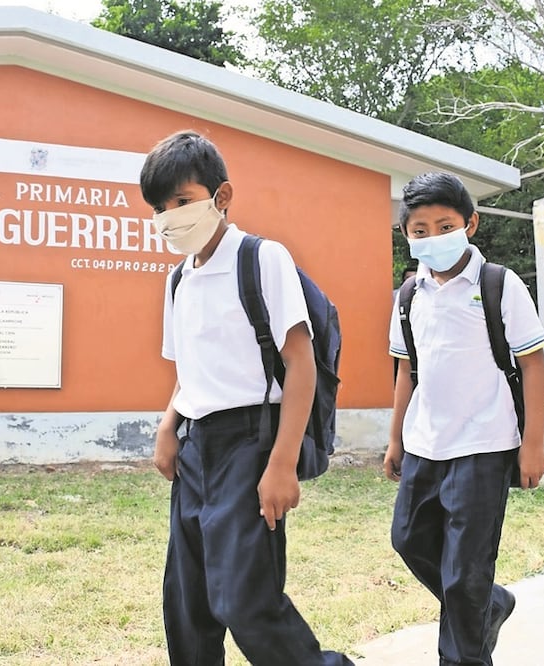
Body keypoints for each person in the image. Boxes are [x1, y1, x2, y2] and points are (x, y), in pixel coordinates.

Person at [142, 130, 352, 666]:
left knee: (244, 601)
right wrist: (169, 427)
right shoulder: (177, 281)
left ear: (221, 196)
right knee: (187, 603)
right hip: (196, 447)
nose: (170, 217)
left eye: (182, 201)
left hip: (251, 441)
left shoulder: (260, 258)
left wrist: (281, 463)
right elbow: (188, 370)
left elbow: (301, 364)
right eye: (160, 208)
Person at [384, 172, 544, 665]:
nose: (432, 237)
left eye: (444, 225)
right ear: (406, 234)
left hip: (485, 443)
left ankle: (467, 641)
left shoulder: (499, 283)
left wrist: (533, 443)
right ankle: (489, 603)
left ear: (470, 224)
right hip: (425, 443)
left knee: (465, 575)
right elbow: (406, 369)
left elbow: (533, 364)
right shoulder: (409, 295)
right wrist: (395, 438)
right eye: (420, 229)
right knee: (408, 539)